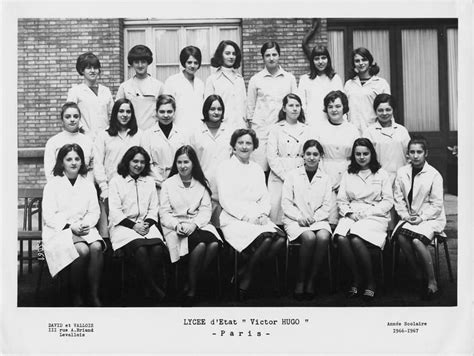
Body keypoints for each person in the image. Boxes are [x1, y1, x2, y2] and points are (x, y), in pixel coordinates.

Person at [216, 129, 286, 300]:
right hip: (234, 218)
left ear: (254, 147)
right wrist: (247, 217)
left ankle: (245, 272)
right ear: (233, 146)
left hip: (257, 217)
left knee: (281, 238)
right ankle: (247, 278)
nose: (244, 146)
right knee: (268, 238)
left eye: (248, 143)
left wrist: (262, 214)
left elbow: (264, 196)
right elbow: (225, 200)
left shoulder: (256, 169)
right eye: (240, 143)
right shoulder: (224, 167)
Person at [42, 144, 104, 307]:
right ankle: (76, 294)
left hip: (84, 228)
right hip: (59, 230)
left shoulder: (88, 184)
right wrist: (70, 227)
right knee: (82, 250)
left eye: (77, 159)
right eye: (69, 159)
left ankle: (93, 294)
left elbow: (94, 212)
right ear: (61, 162)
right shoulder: (53, 185)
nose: (74, 162)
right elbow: (49, 215)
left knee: (97, 247)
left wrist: (85, 224)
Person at [160, 145, 222, 306]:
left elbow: (206, 211)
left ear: (193, 163)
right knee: (201, 245)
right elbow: (164, 213)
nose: (183, 166)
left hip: (197, 224)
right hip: (175, 226)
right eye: (179, 162)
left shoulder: (201, 184)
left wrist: (194, 225)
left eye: (186, 162)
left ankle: (189, 281)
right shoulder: (168, 184)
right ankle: (192, 289)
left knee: (214, 244)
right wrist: (176, 225)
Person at [333, 138, 393, 301]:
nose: (361, 157)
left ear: (371, 154)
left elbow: (388, 201)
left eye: (365, 154)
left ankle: (371, 281)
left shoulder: (381, 174)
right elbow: (341, 200)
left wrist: (368, 213)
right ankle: (356, 277)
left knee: (356, 238)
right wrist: (349, 213)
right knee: (341, 238)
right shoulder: (348, 173)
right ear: (353, 155)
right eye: (358, 154)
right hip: (353, 214)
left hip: (375, 216)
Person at [108, 146, 166, 302]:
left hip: (146, 225)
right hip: (123, 226)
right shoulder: (116, 181)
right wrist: (134, 226)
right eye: (135, 161)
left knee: (157, 249)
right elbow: (115, 212)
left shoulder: (149, 181)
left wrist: (146, 224)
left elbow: (154, 208)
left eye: (142, 162)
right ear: (127, 161)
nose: (138, 165)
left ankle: (146, 286)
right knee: (140, 249)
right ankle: (152, 287)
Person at [392, 137, 446, 300]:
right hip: (409, 217)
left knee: (416, 241)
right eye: (412, 152)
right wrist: (405, 215)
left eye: (419, 152)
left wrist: (421, 217)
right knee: (400, 236)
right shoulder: (402, 172)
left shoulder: (434, 175)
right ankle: (417, 273)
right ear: (407, 154)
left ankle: (431, 281)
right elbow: (398, 198)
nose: (415, 156)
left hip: (430, 218)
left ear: (426, 153)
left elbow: (437, 204)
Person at [281, 139, 332, 300]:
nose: (311, 157)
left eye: (315, 154)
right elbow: (286, 202)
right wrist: (299, 217)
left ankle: (311, 280)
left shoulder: (325, 178)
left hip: (318, 219)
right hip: (294, 219)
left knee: (323, 236)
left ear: (320, 156)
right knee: (309, 237)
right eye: (308, 154)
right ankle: (300, 280)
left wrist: (314, 218)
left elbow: (326, 205)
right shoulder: (292, 175)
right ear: (302, 156)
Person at [93, 98, 142, 237]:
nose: (124, 114)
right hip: (109, 189)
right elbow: (98, 163)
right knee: (107, 231)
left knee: (128, 230)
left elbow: (143, 161)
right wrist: (104, 187)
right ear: (115, 113)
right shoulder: (104, 135)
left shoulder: (139, 135)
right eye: (121, 111)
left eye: (128, 111)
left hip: (131, 189)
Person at [246, 41, 297, 172]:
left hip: (283, 129)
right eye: (267, 55)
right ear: (263, 57)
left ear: (279, 55)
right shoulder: (256, 79)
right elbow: (250, 109)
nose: (271, 58)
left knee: (282, 167)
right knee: (260, 168)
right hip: (261, 130)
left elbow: (295, 104)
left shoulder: (289, 78)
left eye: (274, 54)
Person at [188, 95, 233, 226]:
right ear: (206, 110)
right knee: (204, 225)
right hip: (201, 184)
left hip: (224, 186)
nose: (216, 112)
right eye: (212, 109)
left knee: (223, 226)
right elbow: (191, 159)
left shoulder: (230, 131)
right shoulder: (196, 132)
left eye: (219, 109)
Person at [266, 93, 310, 225]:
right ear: (284, 108)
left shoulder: (306, 129)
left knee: (297, 213)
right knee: (277, 213)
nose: (295, 108)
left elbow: (309, 153)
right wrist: (284, 175)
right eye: (291, 105)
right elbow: (271, 156)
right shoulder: (276, 129)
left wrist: (298, 176)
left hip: (299, 173)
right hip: (279, 174)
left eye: (297, 105)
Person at [317, 90, 359, 225]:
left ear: (344, 108)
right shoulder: (319, 129)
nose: (334, 110)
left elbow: (357, 156)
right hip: (326, 172)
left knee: (347, 217)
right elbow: (316, 155)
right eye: (330, 107)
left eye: (337, 106)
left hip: (347, 173)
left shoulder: (353, 129)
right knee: (329, 216)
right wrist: (325, 179)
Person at [140, 94, 188, 188]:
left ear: (174, 112)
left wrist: (174, 180)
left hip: (178, 183)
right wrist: (160, 181)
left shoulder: (182, 135)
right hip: (155, 184)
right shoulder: (147, 135)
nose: (166, 115)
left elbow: (186, 160)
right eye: (162, 112)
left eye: (169, 111)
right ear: (156, 112)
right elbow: (146, 163)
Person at [362, 93, 410, 183]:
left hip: (400, 178)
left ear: (393, 110)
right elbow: (365, 159)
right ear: (375, 111)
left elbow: (409, 156)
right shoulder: (369, 132)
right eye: (380, 110)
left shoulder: (402, 131)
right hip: (377, 179)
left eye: (388, 110)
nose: (384, 113)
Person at [67, 52, 114, 140]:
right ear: (82, 71)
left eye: (95, 68)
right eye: (88, 68)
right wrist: (82, 130)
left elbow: (112, 114)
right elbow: (69, 114)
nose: (92, 71)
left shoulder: (106, 91)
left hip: (105, 138)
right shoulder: (75, 91)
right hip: (84, 138)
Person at [116, 45, 164, 130]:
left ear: (148, 63)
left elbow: (164, 111)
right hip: (130, 133)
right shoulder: (124, 87)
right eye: (136, 62)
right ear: (132, 64)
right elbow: (117, 112)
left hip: (152, 134)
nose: (140, 65)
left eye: (143, 62)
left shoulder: (158, 86)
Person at [344, 47, 390, 133]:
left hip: (374, 131)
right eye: (357, 61)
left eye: (364, 60)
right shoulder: (349, 84)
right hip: (353, 131)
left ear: (370, 61)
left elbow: (388, 109)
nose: (361, 63)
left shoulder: (381, 83)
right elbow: (344, 110)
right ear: (354, 64)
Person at [44, 102, 94, 182]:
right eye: (68, 117)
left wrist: (87, 187)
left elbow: (91, 170)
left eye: (75, 116)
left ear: (79, 119)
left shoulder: (88, 141)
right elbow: (50, 172)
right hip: (60, 189)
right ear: (62, 120)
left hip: (83, 188)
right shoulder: (53, 142)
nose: (72, 119)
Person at [297, 46, 343, 128]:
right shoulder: (305, 80)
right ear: (312, 61)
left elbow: (341, 103)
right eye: (317, 59)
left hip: (333, 124)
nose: (320, 62)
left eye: (323, 58)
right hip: (312, 124)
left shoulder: (335, 79)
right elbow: (302, 105)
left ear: (328, 59)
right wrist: (305, 122)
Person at [205, 40, 247, 129]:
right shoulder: (212, 79)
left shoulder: (239, 79)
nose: (231, 57)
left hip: (240, 127)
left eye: (234, 54)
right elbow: (208, 109)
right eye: (227, 53)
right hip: (221, 128)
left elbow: (244, 105)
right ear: (221, 55)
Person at [163, 46, 204, 132]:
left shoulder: (200, 83)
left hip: (198, 130)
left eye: (195, 63)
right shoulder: (172, 81)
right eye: (189, 62)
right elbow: (165, 108)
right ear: (183, 62)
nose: (192, 66)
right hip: (178, 129)